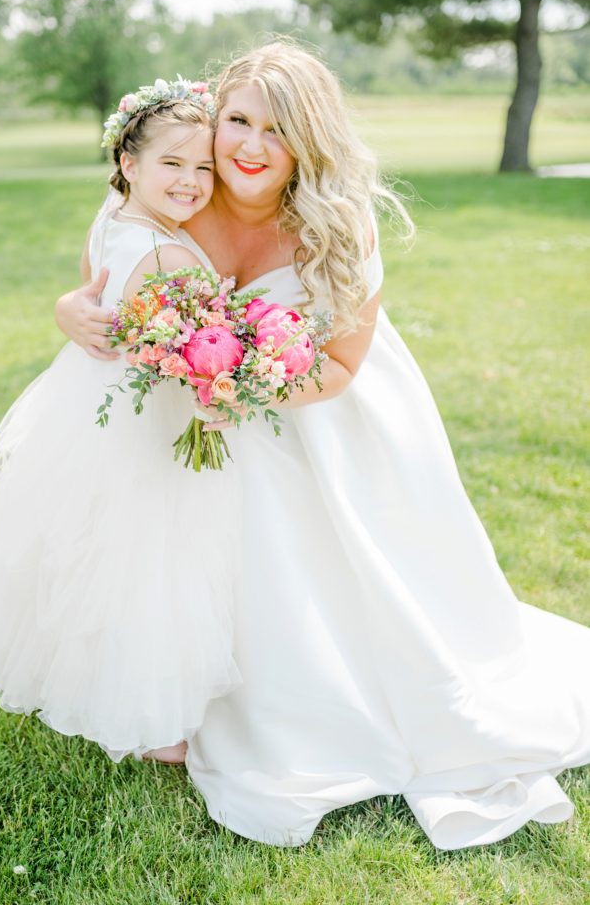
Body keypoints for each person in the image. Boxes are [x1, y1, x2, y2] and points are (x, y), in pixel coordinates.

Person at [57, 41, 590, 850]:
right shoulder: (178, 185)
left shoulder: (338, 223)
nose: (249, 146)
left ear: (309, 139)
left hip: (322, 417)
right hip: (189, 412)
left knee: (322, 571)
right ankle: (173, 688)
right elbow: (104, 272)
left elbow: (339, 367)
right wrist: (69, 310)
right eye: (239, 120)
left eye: (278, 129)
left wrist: (239, 388)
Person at [0, 81, 242, 766]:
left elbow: (92, 286)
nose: (191, 181)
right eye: (173, 163)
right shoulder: (167, 256)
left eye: (204, 167)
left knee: (105, 552)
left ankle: (94, 680)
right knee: (154, 556)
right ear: (129, 163)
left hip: (92, 404)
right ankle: (154, 717)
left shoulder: (111, 217)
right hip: (145, 416)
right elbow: (189, 349)